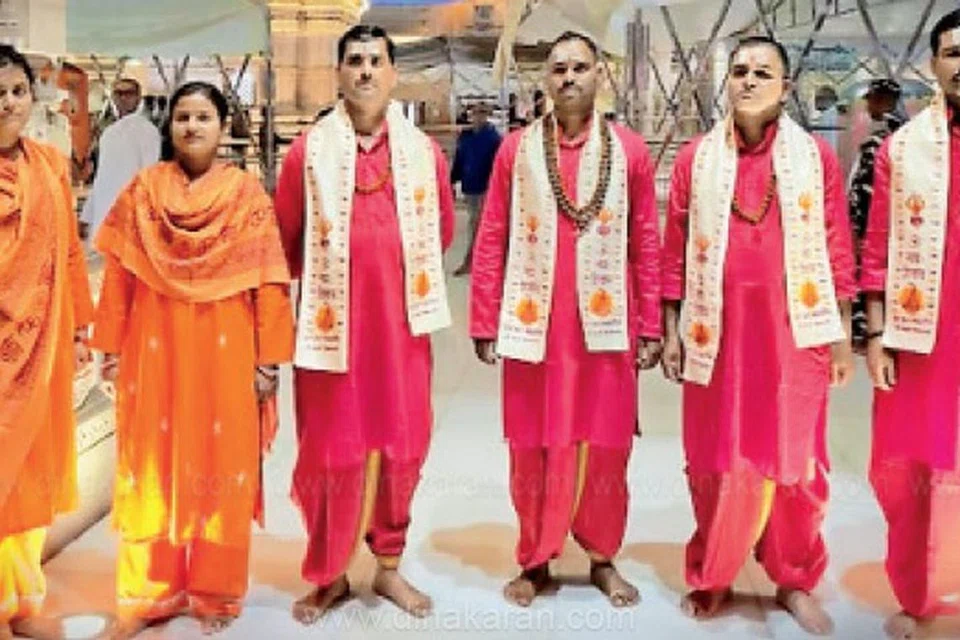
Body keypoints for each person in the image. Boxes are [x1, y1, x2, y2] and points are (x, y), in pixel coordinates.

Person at [660, 36, 856, 634]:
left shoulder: (813, 158)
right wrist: (669, 331)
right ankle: (714, 572)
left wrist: (841, 335)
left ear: (786, 87)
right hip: (714, 334)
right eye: (740, 71)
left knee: (796, 459)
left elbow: (836, 244)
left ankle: (794, 577)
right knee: (717, 454)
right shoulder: (696, 159)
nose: (748, 80)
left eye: (762, 72)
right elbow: (673, 251)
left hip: (795, 335)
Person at [92, 81, 294, 638]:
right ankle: (149, 593)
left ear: (223, 127)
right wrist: (110, 345)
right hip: (154, 344)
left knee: (219, 459)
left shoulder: (245, 195)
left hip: (225, 347)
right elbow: (120, 272)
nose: (191, 126)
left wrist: (269, 361)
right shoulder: (144, 191)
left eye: (204, 117)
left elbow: (269, 280)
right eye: (182, 117)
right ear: (170, 125)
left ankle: (216, 591)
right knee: (151, 461)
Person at [469, 31, 662, 609]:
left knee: (605, 445)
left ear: (600, 74)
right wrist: (484, 319)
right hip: (536, 328)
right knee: (533, 444)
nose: (570, 77)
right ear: (545, 80)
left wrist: (652, 324)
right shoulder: (516, 150)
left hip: (607, 328)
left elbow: (646, 243)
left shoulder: (630, 151)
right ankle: (535, 558)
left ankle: (602, 557)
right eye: (558, 69)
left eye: (580, 67)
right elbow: (492, 234)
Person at [274, 25, 455, 623]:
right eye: (355, 61)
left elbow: (441, 233)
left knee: (402, 445)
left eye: (376, 61)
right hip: (330, 337)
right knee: (331, 450)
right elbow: (285, 241)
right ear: (339, 73)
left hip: (400, 333)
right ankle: (329, 573)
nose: (366, 72)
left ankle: (388, 567)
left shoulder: (423, 153)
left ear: (393, 73)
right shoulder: (306, 153)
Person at [860, 9, 960, 639]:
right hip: (924, 330)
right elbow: (876, 249)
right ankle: (920, 591)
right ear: (933, 65)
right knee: (916, 463)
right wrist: (876, 335)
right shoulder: (901, 149)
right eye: (954, 53)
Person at [0, 43, 94, 640]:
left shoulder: (51, 165)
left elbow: (69, 252)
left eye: (16, 91)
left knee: (29, 471)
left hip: (41, 343)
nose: (8, 103)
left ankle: (21, 599)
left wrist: (80, 328)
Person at [848, 78, 904, 351]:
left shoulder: (879, 141)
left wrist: (857, 229)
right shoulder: (904, 135)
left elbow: (864, 193)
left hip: (874, 228)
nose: (869, 104)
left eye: (872, 98)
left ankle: (869, 332)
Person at [80, 77, 160, 245]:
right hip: (103, 213)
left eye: (129, 93)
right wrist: (87, 215)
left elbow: (150, 176)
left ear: (138, 97)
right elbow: (101, 177)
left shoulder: (148, 131)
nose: (123, 98)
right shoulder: (109, 133)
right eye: (119, 93)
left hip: (131, 216)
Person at [451, 102, 501, 276]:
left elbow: (498, 165)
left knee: (477, 225)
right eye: (475, 113)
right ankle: (479, 261)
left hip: (485, 187)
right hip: (469, 186)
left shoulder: (493, 138)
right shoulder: (466, 137)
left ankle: (472, 261)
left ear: (487, 115)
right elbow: (459, 159)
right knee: (475, 224)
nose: (478, 117)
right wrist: (452, 180)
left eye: (482, 113)